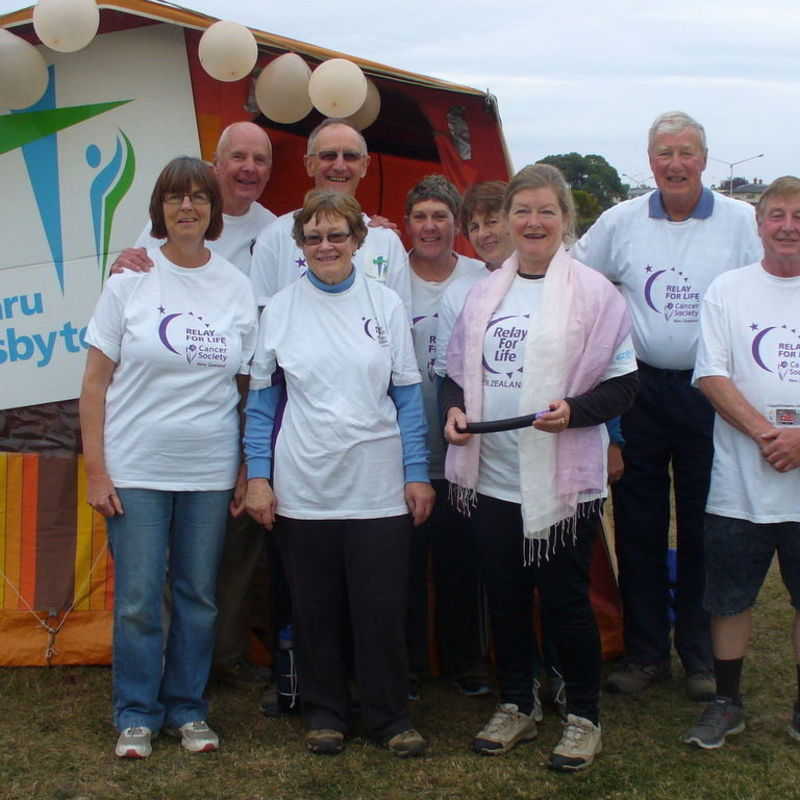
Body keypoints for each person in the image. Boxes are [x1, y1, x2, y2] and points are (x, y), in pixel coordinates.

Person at [441, 164, 637, 771]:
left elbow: (624, 383)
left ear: (564, 220)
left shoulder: (594, 293)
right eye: (521, 211)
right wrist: (452, 411)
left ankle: (582, 716)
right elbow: (456, 371)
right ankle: (517, 702)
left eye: (545, 211)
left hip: (560, 483)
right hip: (492, 477)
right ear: (506, 221)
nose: (532, 222)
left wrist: (577, 412)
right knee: (503, 597)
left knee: (565, 603)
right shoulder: (485, 291)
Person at [573, 111, 763, 700]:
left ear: (705, 159)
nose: (675, 164)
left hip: (714, 392)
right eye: (664, 154)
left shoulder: (740, 222)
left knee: (711, 522)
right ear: (650, 161)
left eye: (686, 152)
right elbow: (576, 281)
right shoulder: (619, 221)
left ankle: (701, 656)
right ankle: (646, 651)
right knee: (638, 523)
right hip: (640, 390)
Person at [244, 189, 435, 757]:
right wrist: (259, 476)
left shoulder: (385, 305)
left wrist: (417, 472)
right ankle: (325, 713)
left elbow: (406, 396)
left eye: (337, 235)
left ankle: (389, 716)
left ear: (358, 240)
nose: (325, 246)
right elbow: (260, 404)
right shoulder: (279, 308)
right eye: (314, 237)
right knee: (314, 606)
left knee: (379, 607)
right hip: (304, 483)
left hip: (378, 483)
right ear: (300, 246)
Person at [80, 156, 257, 758]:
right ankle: (135, 711)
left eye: (199, 198)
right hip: (135, 469)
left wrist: (242, 466)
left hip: (208, 470)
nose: (188, 207)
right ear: (159, 208)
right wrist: (96, 468)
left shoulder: (236, 285)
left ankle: (187, 708)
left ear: (212, 211)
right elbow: (95, 384)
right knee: (135, 599)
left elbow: (246, 387)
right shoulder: (129, 278)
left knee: (198, 595)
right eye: (176, 197)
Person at [111, 121, 275, 690]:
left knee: (221, 561)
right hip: (152, 423)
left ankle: (212, 666)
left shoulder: (275, 232)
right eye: (238, 158)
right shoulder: (157, 241)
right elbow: (130, 277)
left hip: (232, 401)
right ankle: (150, 675)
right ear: (216, 162)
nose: (248, 168)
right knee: (148, 571)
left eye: (260, 159)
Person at [683, 176, 800, 749]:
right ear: (759, 226)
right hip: (739, 484)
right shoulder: (727, 290)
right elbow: (710, 373)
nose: (787, 226)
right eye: (776, 215)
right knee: (728, 599)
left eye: (798, 215)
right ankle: (727, 703)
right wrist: (767, 435)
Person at [403, 175, 486, 699]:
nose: (430, 226)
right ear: (407, 222)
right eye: (420, 216)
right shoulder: (385, 277)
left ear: (457, 223)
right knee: (404, 565)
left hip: (466, 447)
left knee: (463, 561)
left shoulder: (481, 275)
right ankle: (408, 663)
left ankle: (466, 661)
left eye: (440, 216)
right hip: (405, 446)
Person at [249, 118, 412, 311]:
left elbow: (401, 323)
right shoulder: (274, 236)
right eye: (329, 156)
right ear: (309, 164)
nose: (340, 166)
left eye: (350, 156)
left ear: (365, 165)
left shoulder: (387, 242)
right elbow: (261, 317)